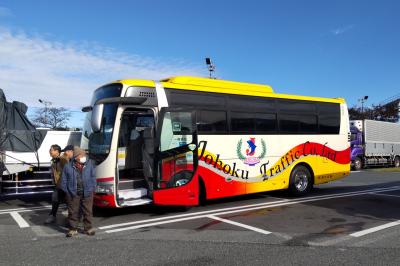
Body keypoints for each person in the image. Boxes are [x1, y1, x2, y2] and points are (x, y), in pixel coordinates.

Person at [61, 146, 96, 237]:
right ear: (76, 156)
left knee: (88, 211)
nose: (84, 156)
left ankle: (88, 228)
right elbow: (63, 181)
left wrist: (92, 188)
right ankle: (73, 229)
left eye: (84, 154)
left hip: (87, 192)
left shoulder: (90, 164)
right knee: (73, 211)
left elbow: (93, 177)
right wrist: (67, 191)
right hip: (72, 193)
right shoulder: (68, 166)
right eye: (81, 155)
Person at [45, 144, 69, 224]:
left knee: (69, 201)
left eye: (51, 149)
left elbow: (68, 170)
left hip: (66, 185)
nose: (49, 151)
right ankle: (52, 216)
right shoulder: (54, 160)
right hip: (58, 185)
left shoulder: (62, 159)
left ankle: (73, 218)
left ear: (57, 151)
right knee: (55, 198)